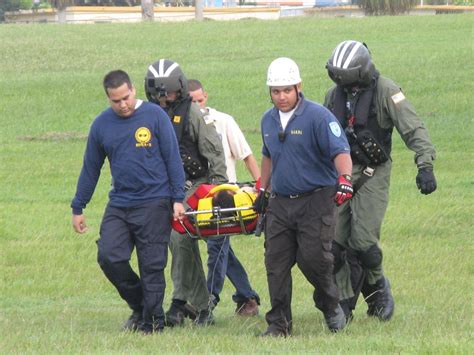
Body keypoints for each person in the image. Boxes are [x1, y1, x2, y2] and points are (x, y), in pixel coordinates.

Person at [324, 40, 437, 321]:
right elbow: (321, 136)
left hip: (374, 171)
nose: (343, 84)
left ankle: (378, 292)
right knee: (334, 244)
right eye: (338, 78)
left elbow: (413, 128)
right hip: (341, 173)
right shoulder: (332, 96)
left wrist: (425, 164)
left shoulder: (387, 90)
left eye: (346, 77)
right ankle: (343, 303)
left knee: (363, 242)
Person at [71, 70, 186, 334]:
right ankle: (141, 305)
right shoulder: (101, 125)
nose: (123, 104)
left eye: (126, 97)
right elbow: (91, 168)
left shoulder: (155, 116)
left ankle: (152, 322)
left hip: (155, 201)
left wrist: (178, 198)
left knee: (152, 265)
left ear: (133, 90)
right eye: (116, 101)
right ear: (108, 99)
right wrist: (79, 206)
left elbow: (172, 158)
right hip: (120, 203)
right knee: (109, 256)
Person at [254, 57, 353, 337]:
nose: (281, 96)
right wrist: (263, 189)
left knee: (314, 259)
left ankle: (330, 304)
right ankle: (279, 324)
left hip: (316, 199)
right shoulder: (268, 119)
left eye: (286, 90)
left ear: (298, 86)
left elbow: (340, 152)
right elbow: (267, 155)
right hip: (280, 203)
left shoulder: (318, 116)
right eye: (275, 91)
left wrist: (344, 179)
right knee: (275, 263)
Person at [144, 59, 228, 327]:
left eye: (167, 92)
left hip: (195, 184)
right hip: (164, 190)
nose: (163, 98)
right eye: (158, 93)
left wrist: (219, 191)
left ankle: (193, 305)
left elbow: (213, 151)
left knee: (180, 238)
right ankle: (185, 303)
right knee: (169, 242)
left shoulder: (192, 113)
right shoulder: (146, 115)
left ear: (178, 89)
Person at [188, 79, 261, 317]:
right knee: (220, 248)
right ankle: (246, 296)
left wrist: (261, 188)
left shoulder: (224, 121)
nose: (196, 106)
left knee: (217, 246)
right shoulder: (182, 125)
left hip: (225, 197)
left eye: (199, 100)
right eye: (191, 102)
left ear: (205, 97)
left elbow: (246, 155)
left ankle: (209, 299)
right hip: (199, 197)